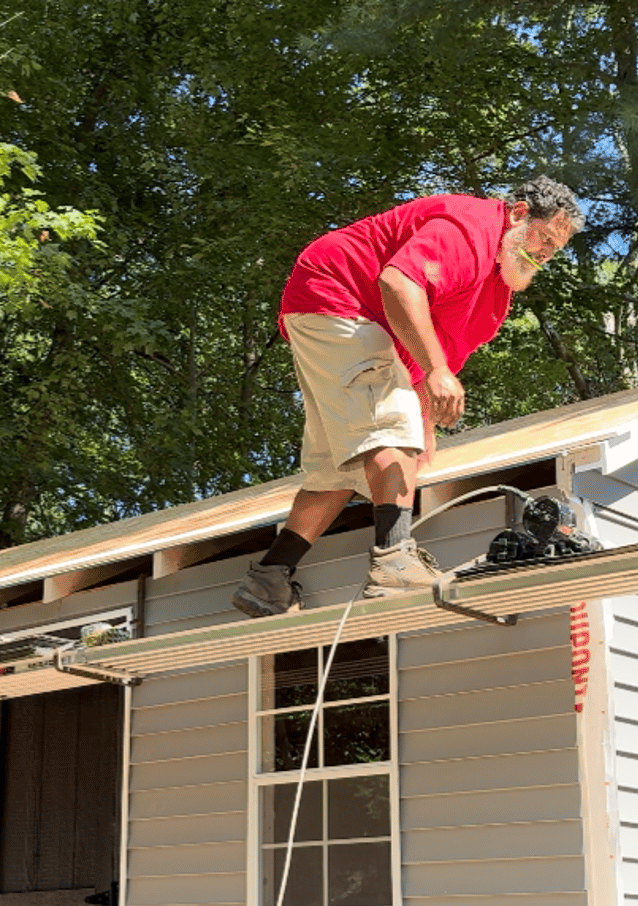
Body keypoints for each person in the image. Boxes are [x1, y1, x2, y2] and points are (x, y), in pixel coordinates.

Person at [232, 177, 586, 617]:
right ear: (517, 213)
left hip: (346, 318)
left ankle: (268, 578)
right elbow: (399, 284)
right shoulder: (469, 230)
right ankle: (394, 563)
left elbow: (426, 347)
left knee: (338, 469)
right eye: (545, 238)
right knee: (391, 430)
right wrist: (427, 389)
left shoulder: (492, 291)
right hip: (340, 299)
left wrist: (424, 418)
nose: (546, 254)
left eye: (555, 249)